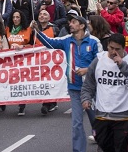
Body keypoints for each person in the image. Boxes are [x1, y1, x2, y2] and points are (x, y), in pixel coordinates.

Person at [34, 10, 99, 152]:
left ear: (82, 26)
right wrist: (37, 31)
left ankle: (102, 140)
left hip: (91, 89)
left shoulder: (94, 41)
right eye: (70, 22)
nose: (70, 24)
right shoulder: (67, 40)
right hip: (74, 87)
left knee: (96, 119)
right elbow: (50, 42)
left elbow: (101, 61)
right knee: (76, 123)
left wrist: (87, 70)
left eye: (74, 22)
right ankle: (78, 150)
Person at [81, 33, 128, 152]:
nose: (113, 52)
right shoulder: (99, 60)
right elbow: (89, 83)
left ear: (124, 48)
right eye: (111, 48)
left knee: (120, 146)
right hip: (102, 112)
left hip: (123, 114)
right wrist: (86, 98)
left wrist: (122, 64)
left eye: (117, 49)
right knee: (103, 143)